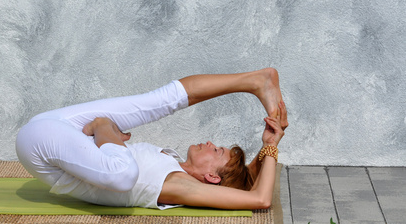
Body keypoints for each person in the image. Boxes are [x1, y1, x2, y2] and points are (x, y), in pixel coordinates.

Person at [15, 67, 288, 210]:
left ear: (213, 178)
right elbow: (249, 178)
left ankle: (104, 127)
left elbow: (260, 199)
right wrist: (266, 146)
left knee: (123, 173)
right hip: (59, 125)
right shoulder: (172, 163)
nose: (210, 143)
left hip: (39, 145)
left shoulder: (180, 186)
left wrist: (272, 147)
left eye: (216, 151)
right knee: (161, 101)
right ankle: (255, 81)